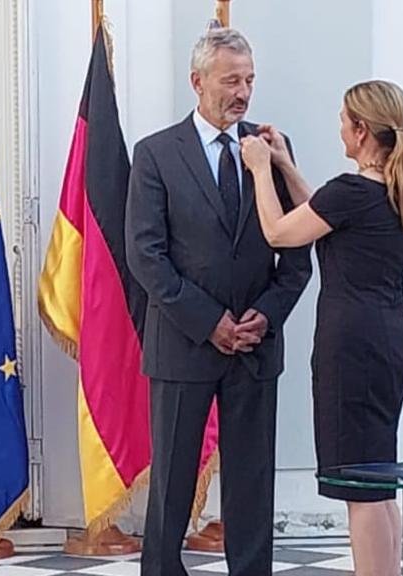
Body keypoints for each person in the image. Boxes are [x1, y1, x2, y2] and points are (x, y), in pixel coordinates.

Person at [125, 27, 312, 576]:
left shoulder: (273, 149)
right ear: (197, 82)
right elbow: (146, 255)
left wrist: (266, 315)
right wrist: (210, 323)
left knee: (252, 481)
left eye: (249, 80)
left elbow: (297, 253)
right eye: (231, 81)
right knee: (172, 481)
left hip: (255, 345)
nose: (243, 93)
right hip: (183, 344)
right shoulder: (157, 154)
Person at [241, 79, 403, 576]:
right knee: (379, 478)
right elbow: (323, 212)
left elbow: (280, 231)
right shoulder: (398, 192)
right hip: (391, 338)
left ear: (361, 130)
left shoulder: (352, 191)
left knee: (359, 484)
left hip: (352, 346)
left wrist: (260, 169)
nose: (339, 128)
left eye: (344, 120)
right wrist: (285, 165)